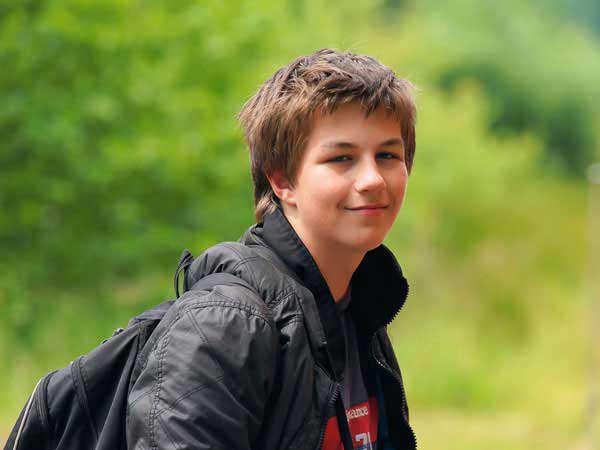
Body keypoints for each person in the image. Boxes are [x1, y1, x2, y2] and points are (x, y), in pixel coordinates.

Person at [126, 48, 418, 450]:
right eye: (341, 158)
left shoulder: (360, 309)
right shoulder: (223, 326)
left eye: (387, 155)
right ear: (282, 181)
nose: (373, 179)